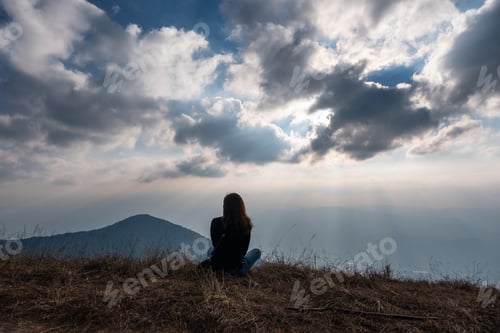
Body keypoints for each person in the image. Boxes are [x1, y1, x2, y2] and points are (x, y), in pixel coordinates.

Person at [202, 193, 261, 276]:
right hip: (237, 269)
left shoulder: (215, 222)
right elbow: (244, 251)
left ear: (225, 207)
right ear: (241, 207)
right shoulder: (245, 224)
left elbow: (216, 245)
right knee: (257, 252)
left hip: (217, 267)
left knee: (211, 249)